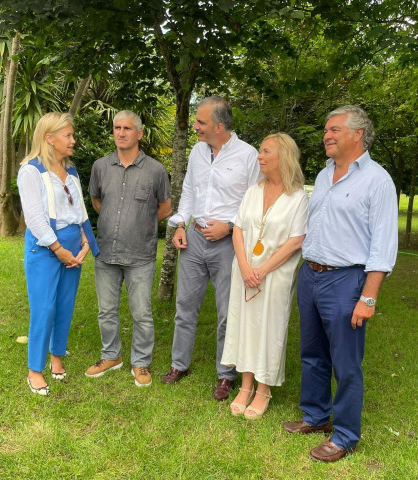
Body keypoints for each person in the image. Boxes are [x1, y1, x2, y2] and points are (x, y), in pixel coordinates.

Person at [283, 105, 398, 462]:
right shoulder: (323, 174)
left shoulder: (377, 181)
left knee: (346, 363)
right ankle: (316, 416)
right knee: (311, 354)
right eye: (325, 130)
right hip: (311, 275)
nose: (326, 136)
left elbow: (383, 245)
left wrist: (369, 297)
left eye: (334, 130)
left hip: (347, 281)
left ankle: (346, 435)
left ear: (357, 134)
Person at [162, 96, 260, 401]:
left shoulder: (248, 156)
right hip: (193, 239)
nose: (195, 127)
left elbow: (253, 204)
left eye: (201, 122)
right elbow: (189, 191)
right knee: (184, 307)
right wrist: (180, 224)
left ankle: (226, 375)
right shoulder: (197, 152)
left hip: (230, 244)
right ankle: (179, 364)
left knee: (227, 312)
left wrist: (229, 227)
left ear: (219, 126)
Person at [221, 133, 308, 419]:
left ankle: (263, 388)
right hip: (245, 271)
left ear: (283, 156)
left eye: (265, 151)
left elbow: (296, 240)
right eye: (260, 151)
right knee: (244, 325)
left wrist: (262, 270)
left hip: (274, 276)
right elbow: (238, 229)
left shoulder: (298, 197)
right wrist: (245, 267)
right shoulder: (253, 191)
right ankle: (245, 387)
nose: (259, 156)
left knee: (270, 329)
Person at [85, 110, 172, 387]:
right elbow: (98, 201)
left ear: (140, 134)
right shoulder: (100, 166)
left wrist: (140, 225)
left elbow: (165, 208)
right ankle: (111, 356)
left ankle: (141, 362)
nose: (121, 133)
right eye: (117, 128)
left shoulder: (156, 170)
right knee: (106, 310)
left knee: (141, 313)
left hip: (140, 256)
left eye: (127, 128)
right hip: (106, 252)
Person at [18, 112, 99, 396]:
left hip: (72, 243)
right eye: (68, 135)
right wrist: (58, 249)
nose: (73, 140)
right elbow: (35, 218)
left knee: (64, 305)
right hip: (45, 247)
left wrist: (85, 243)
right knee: (44, 308)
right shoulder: (31, 171)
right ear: (49, 139)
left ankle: (56, 358)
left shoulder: (72, 171)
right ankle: (34, 370)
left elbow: (79, 213)